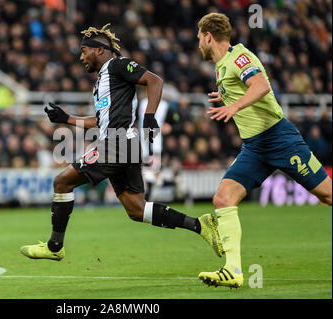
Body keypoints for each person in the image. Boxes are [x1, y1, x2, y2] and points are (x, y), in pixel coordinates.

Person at [20, 24, 223, 262]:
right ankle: (200, 225)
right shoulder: (102, 83)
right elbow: (100, 121)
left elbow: (155, 81)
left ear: (100, 50)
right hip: (123, 143)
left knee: (62, 181)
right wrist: (66, 119)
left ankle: (55, 247)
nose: (81, 57)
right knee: (137, 210)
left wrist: (149, 116)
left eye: (84, 51)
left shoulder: (117, 65)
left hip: (118, 144)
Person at [196, 13, 332, 288]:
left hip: (280, 139)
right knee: (223, 199)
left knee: (329, 195)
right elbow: (245, 86)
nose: (198, 44)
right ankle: (232, 270)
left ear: (208, 36)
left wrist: (233, 106)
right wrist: (228, 95)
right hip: (255, 148)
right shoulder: (222, 66)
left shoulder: (238, 58)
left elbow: (261, 85)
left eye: (199, 38)